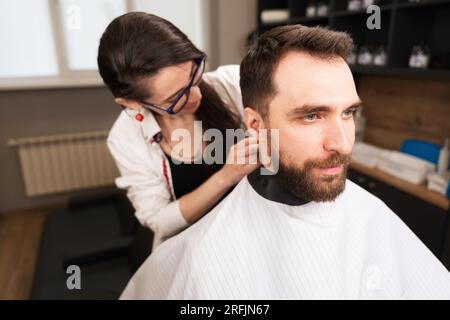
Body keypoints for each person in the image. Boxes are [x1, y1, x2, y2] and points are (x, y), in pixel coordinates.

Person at [119, 24, 450, 299]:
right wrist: (225, 176)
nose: (343, 144)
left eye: (348, 112)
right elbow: (157, 220)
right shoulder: (199, 256)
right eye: (311, 115)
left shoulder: (371, 215)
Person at [98, 12, 259, 249]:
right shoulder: (125, 139)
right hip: (195, 245)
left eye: (195, 74)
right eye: (176, 97)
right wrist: (226, 177)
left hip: (256, 224)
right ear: (131, 103)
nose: (197, 95)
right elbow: (160, 221)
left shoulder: (230, 83)